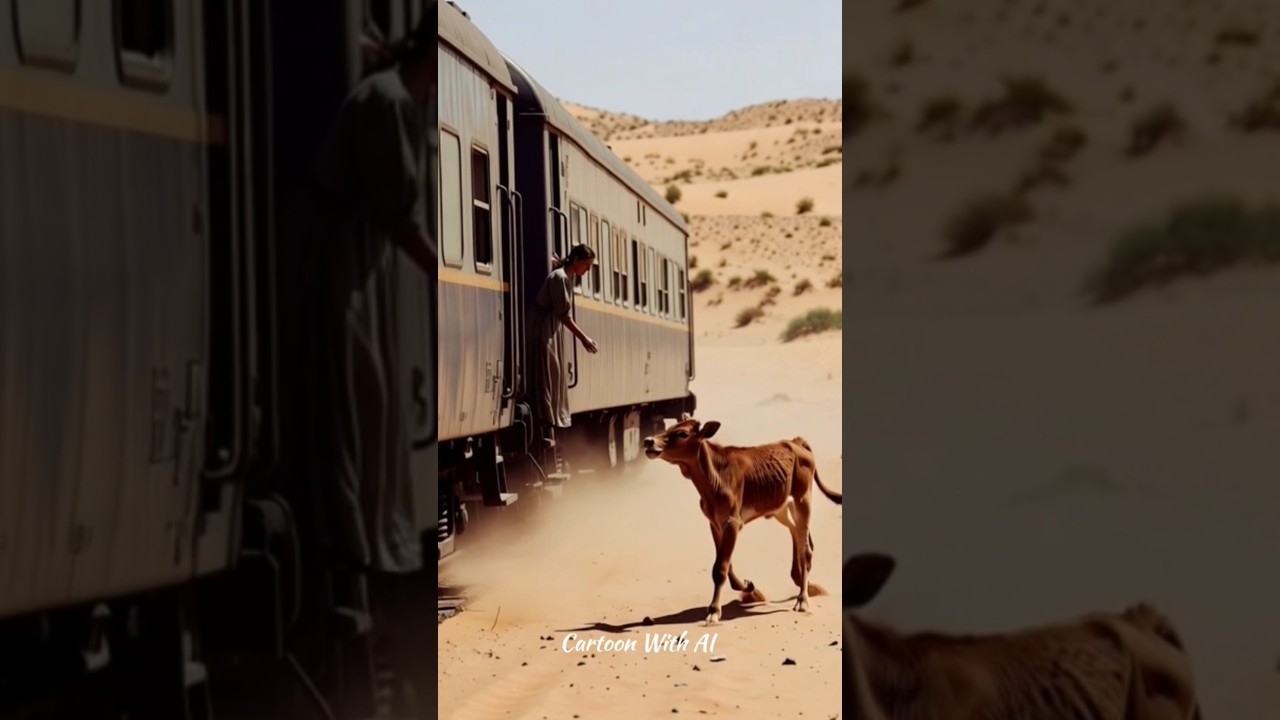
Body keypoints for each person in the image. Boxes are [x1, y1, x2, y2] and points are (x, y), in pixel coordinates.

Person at [303, 6, 436, 574]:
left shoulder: (394, 97)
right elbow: (397, 213)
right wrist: (443, 273)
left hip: (362, 259)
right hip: (345, 257)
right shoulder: (387, 101)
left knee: (371, 402)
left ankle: (366, 541)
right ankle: (355, 545)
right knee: (362, 402)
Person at [530, 244, 600, 434]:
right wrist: (584, 338)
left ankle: (551, 419)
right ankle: (546, 419)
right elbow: (564, 315)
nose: (587, 270)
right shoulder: (560, 278)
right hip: (544, 327)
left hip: (551, 328)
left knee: (555, 373)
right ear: (576, 260)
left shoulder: (566, 277)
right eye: (586, 265)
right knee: (549, 373)